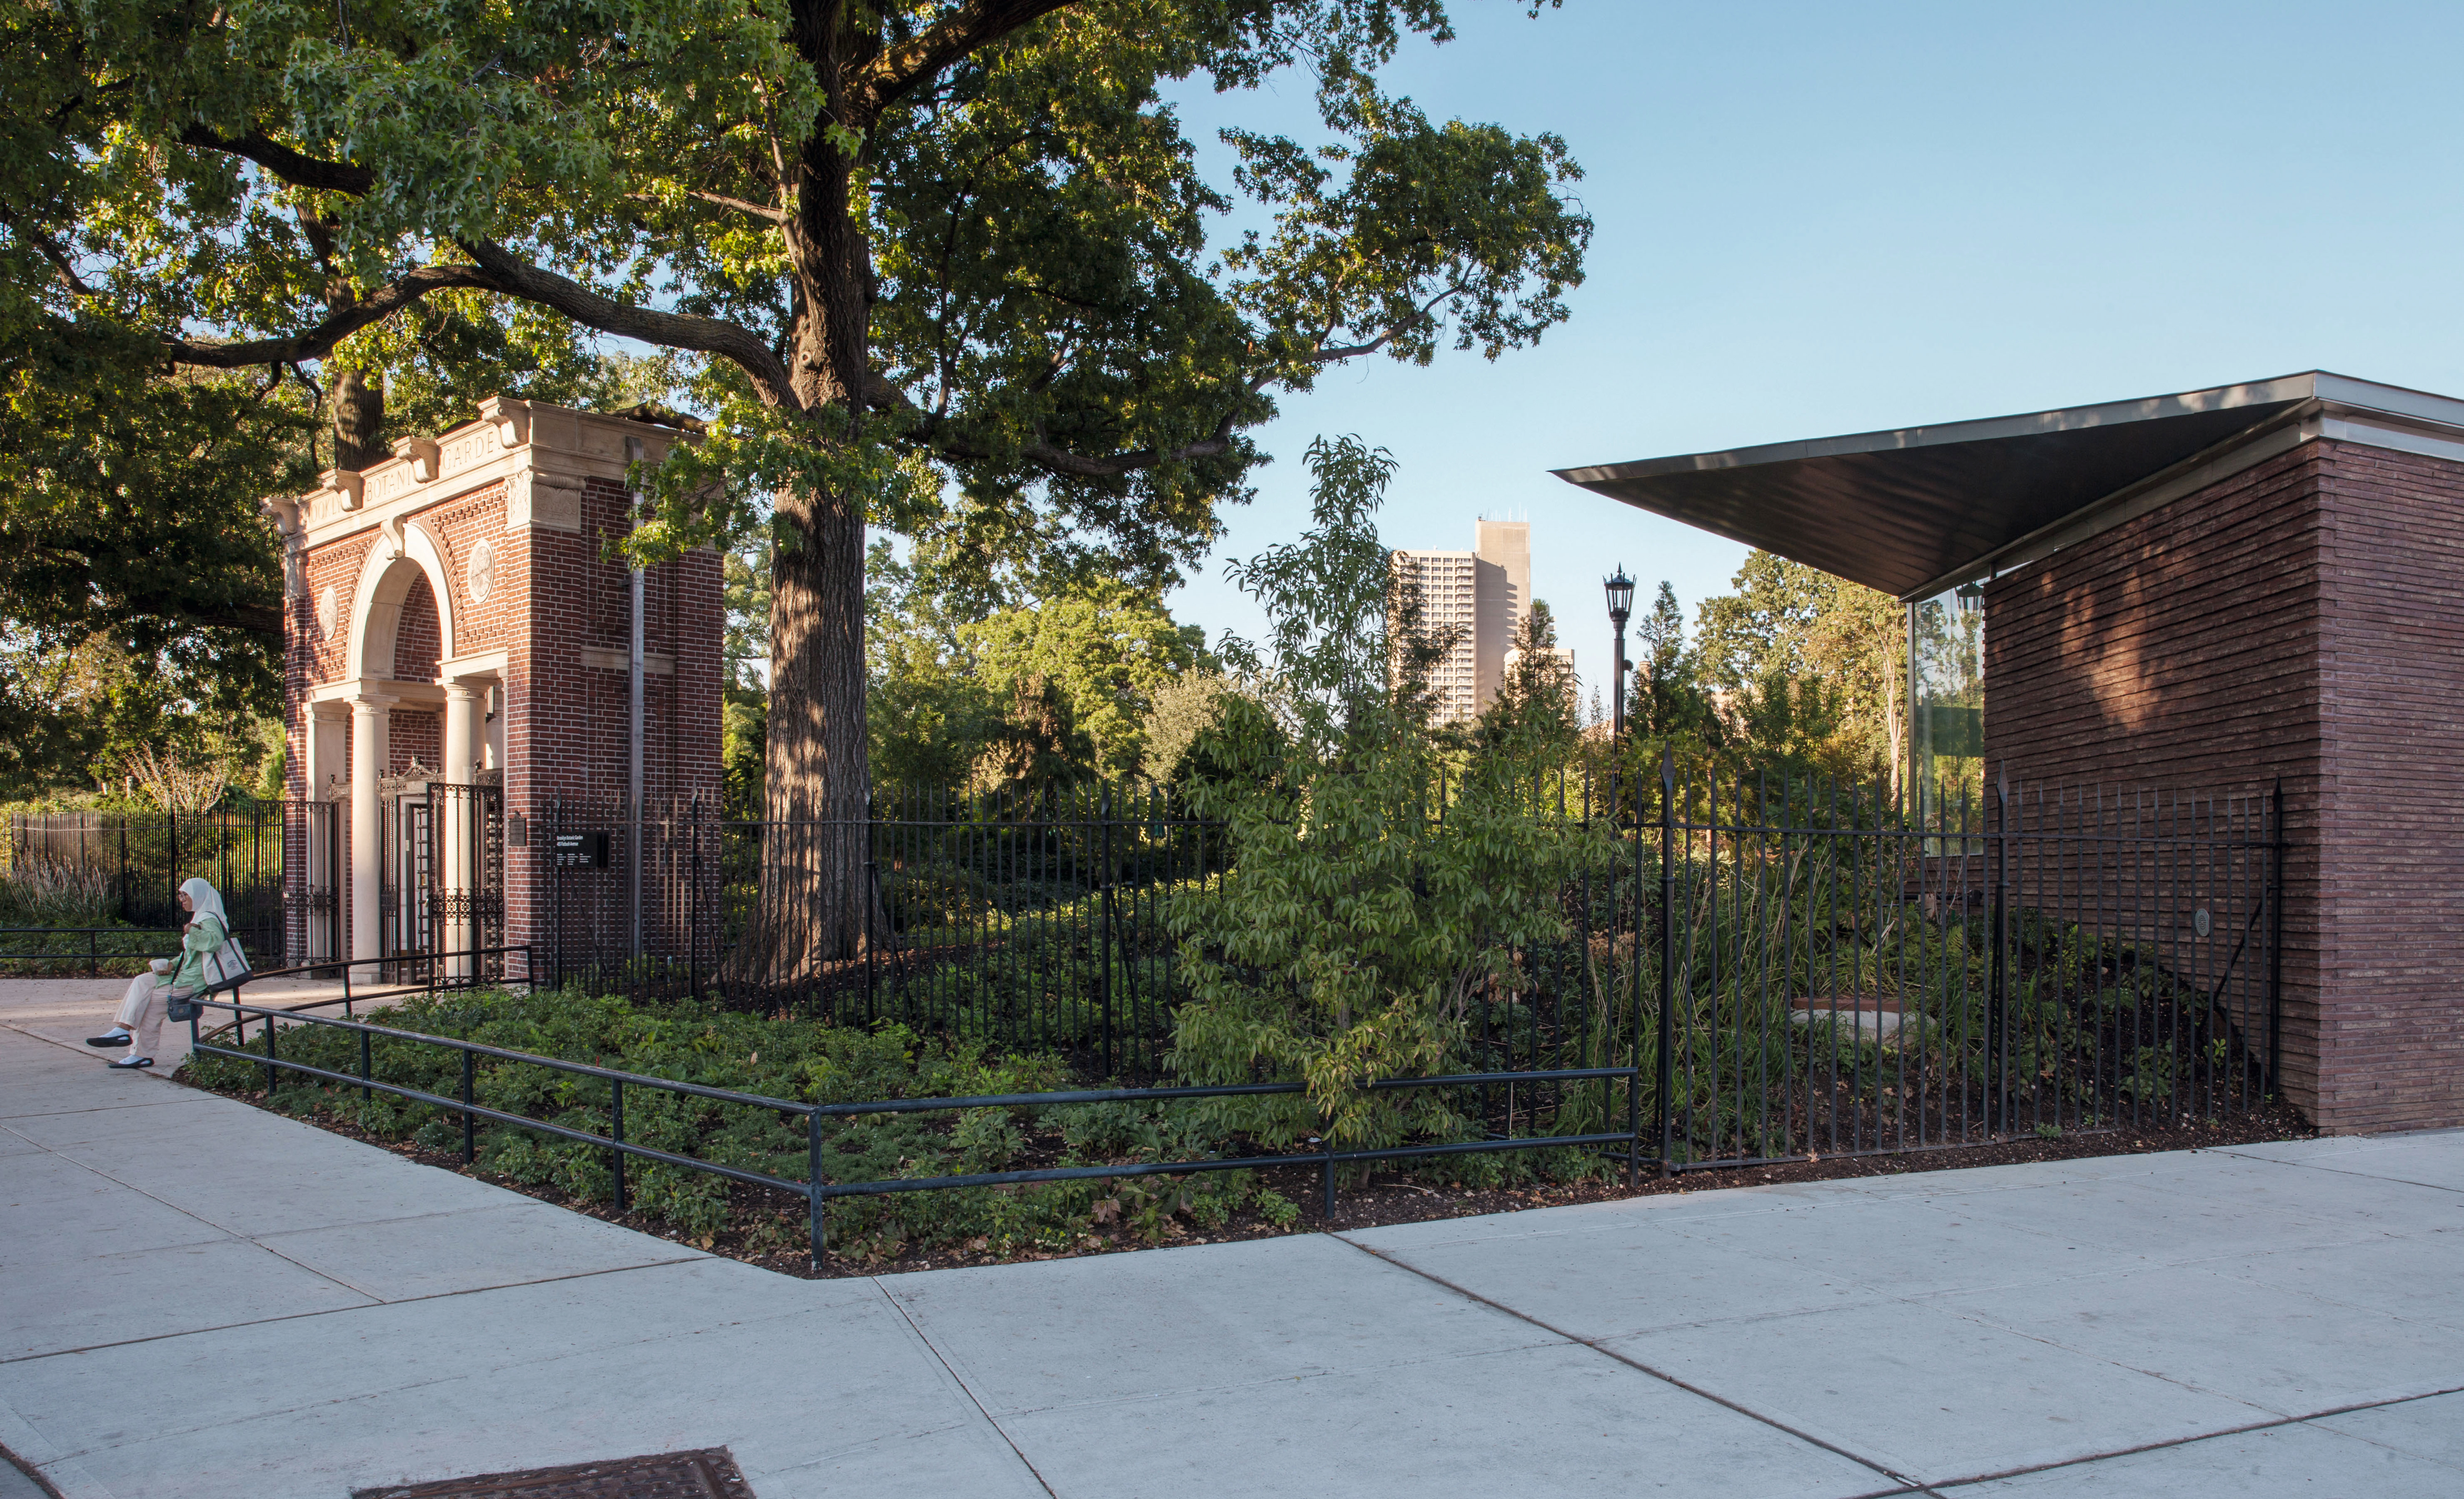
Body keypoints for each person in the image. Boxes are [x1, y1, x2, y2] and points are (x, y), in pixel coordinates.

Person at [87, 877, 229, 1070]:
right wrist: (171, 965)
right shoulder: (200, 917)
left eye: (185, 895)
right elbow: (191, 955)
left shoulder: (210, 919)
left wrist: (192, 932)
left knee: (151, 1003)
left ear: (198, 895)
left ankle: (140, 1054)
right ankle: (121, 1030)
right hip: (185, 974)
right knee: (142, 981)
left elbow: (214, 943)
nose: (182, 899)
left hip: (196, 981)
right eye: (181, 895)